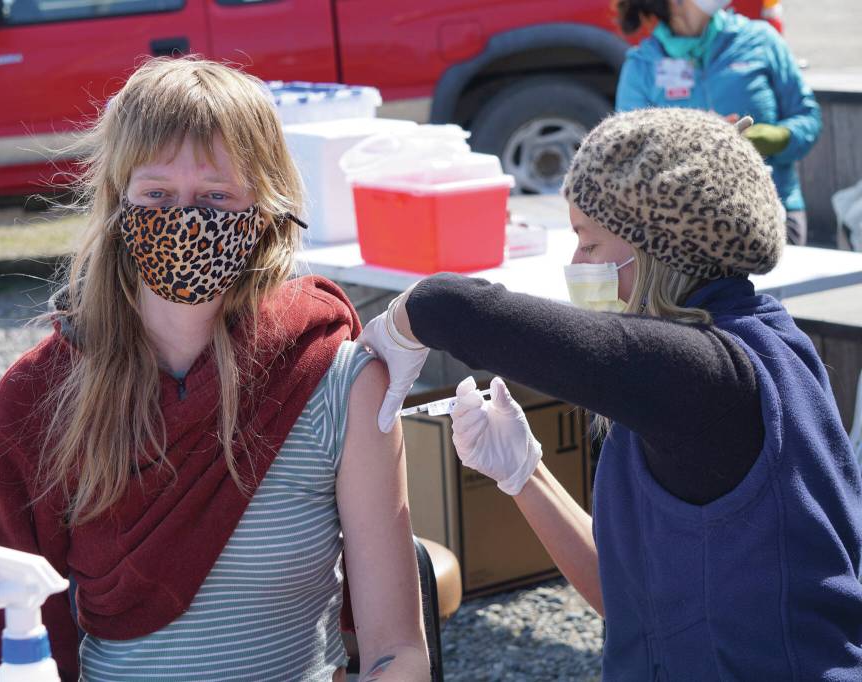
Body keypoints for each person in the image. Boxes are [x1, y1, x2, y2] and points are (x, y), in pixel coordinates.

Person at [361, 107, 862, 680]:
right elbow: (630, 602)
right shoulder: (737, 352)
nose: (575, 265)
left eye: (590, 243)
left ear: (659, 248)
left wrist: (397, 323)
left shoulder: (705, 377)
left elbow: (452, 307)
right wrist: (525, 475)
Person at [0, 57, 428, 682]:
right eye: (157, 195)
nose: (186, 221)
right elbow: (22, 645)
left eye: (216, 197)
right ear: (116, 204)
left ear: (265, 212)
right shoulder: (35, 401)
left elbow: (395, 650)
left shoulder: (337, 381)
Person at [613, 0, 821, 245]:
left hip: (774, 209)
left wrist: (775, 138)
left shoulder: (760, 39)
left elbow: (809, 118)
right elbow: (629, 156)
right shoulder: (642, 65)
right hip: (686, 225)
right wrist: (703, 144)